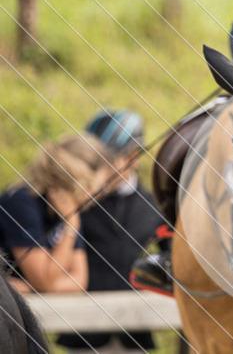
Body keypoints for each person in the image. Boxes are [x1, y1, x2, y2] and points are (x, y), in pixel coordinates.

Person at [57, 110, 166, 354]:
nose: (96, 169)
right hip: (83, 333)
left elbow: (173, 257)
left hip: (135, 334)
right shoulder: (78, 201)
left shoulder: (154, 205)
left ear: (133, 157)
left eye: (106, 161)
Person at [0, 133, 112, 294]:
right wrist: (71, 225)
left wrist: (30, 288)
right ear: (81, 181)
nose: (103, 191)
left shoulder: (68, 211)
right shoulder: (21, 203)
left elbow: (79, 281)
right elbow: (44, 282)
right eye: (99, 185)